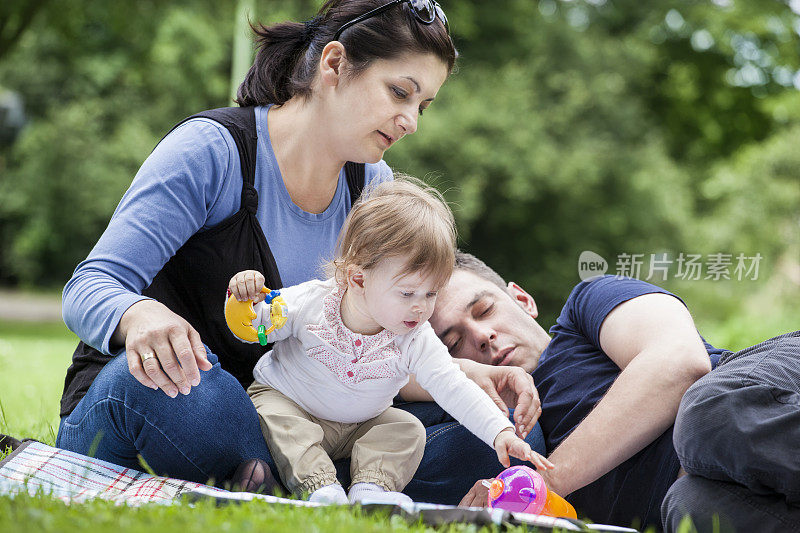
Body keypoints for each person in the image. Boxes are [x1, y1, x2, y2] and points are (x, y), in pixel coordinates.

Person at [53, 0, 541, 497]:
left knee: (493, 426)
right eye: (400, 92)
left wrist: (467, 376)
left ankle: (312, 487)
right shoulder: (212, 151)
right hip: (189, 402)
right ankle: (316, 483)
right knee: (187, 387)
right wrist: (139, 315)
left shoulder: (374, 189)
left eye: (423, 105)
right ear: (334, 64)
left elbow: (373, 353)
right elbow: (88, 287)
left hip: (302, 422)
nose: (411, 120)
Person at [226, 178, 551, 505]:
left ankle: (371, 491)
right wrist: (245, 297)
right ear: (358, 278)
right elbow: (252, 327)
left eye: (431, 293)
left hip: (358, 425)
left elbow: (454, 386)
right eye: (407, 293)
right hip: (292, 403)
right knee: (282, 420)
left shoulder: (414, 336)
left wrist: (501, 432)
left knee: (405, 428)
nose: (421, 307)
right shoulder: (312, 303)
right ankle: (320, 488)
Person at [426, 251, 800, 531]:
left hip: (761, 390)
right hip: (714, 485)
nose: (481, 337)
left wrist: (545, 484)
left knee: (708, 416)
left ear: (523, 300)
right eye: (454, 343)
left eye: (484, 310)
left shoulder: (586, 303)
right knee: (692, 509)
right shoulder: (505, 443)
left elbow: (681, 361)